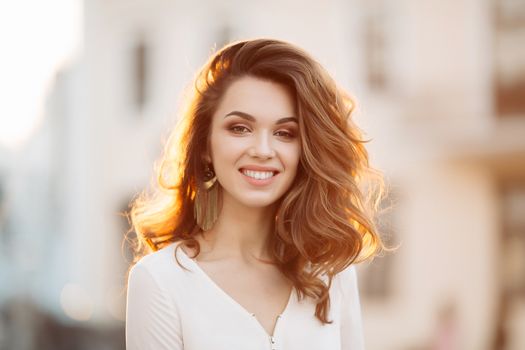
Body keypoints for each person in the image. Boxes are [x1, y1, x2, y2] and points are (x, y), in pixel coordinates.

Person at [125, 38, 386, 350]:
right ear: (206, 146)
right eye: (239, 128)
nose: (263, 150)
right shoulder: (159, 280)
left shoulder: (332, 275)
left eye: (284, 133)